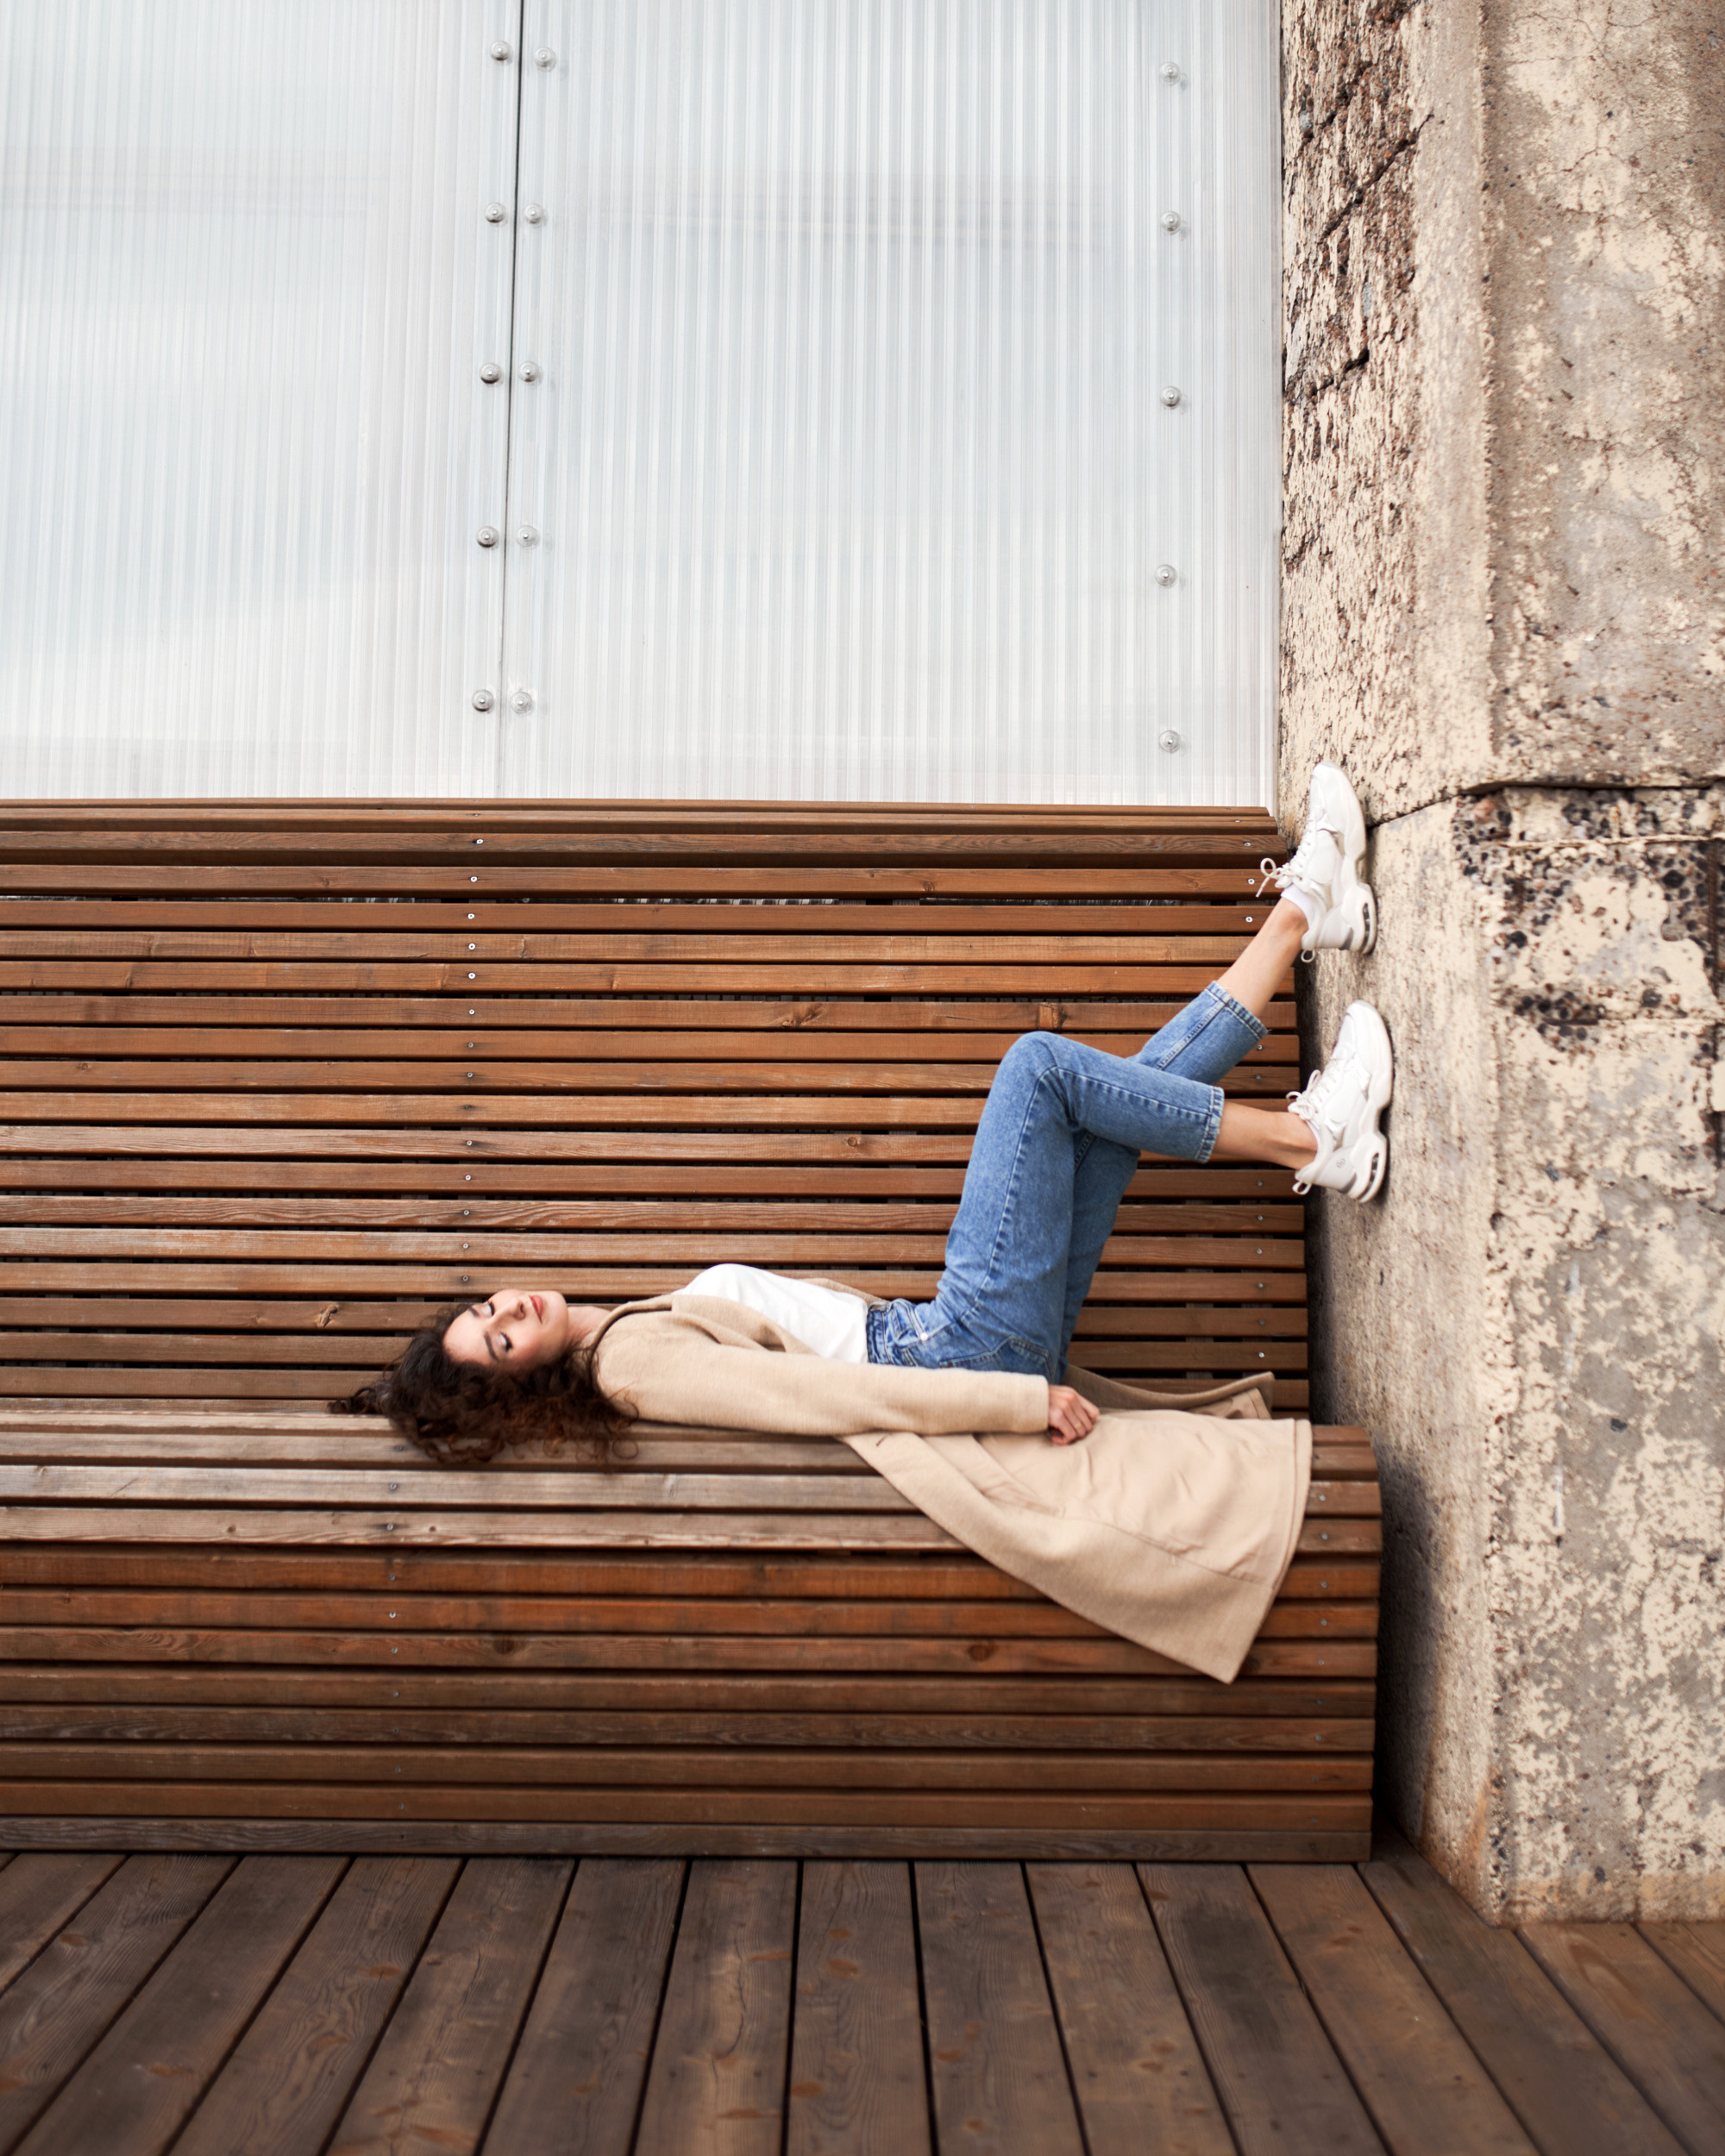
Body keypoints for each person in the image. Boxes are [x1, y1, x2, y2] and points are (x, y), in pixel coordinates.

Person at [336, 762, 1392, 1466]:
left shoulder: (624, 1328)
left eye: (486, 1309)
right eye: (503, 1341)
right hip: (955, 1350)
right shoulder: (630, 1361)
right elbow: (826, 1402)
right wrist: (1010, 1404)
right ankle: (1311, 1139)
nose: (511, 1310)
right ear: (526, 1384)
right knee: (1037, 1070)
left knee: (1096, 1111)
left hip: (961, 1341)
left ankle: (1304, 914)